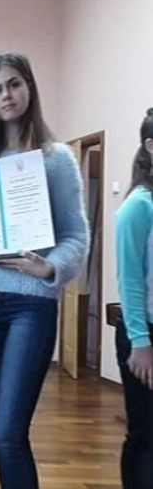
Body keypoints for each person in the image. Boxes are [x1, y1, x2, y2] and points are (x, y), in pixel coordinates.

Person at [0, 53, 89, 489]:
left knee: (7, 431)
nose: (7, 96)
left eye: (14, 84)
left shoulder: (57, 159)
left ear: (29, 88)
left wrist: (49, 266)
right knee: (4, 432)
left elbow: (77, 235)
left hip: (31, 304)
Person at [114, 107, 153, 489]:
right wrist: (141, 343)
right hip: (144, 334)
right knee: (144, 435)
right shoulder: (138, 206)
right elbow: (129, 281)